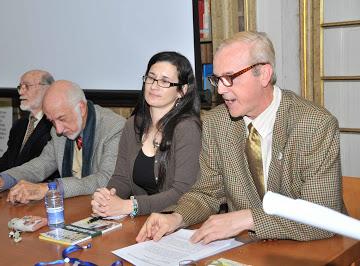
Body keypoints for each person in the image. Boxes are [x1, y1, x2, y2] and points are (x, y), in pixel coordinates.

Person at [137, 31, 343, 243]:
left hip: (312, 249)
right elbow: (206, 193)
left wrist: (249, 219)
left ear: (263, 74)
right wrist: (177, 218)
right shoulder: (216, 122)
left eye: (230, 78)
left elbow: (322, 216)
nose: (221, 89)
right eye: (217, 79)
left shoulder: (314, 124)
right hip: (249, 250)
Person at [0, 80, 126, 203]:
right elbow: (39, 165)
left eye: (61, 119)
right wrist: (1, 181)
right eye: (52, 121)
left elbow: (105, 180)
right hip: (71, 208)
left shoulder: (114, 127)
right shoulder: (58, 130)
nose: (59, 130)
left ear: (81, 108)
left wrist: (49, 188)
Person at [91, 51, 201, 217]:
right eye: (151, 78)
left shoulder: (187, 128)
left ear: (182, 91)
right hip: (142, 220)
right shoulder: (133, 124)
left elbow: (183, 191)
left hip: (177, 221)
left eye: (165, 81)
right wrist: (107, 198)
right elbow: (122, 178)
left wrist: (130, 206)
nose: (154, 86)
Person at [0, 70, 59, 180]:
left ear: (47, 89)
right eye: (20, 87)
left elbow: (49, 168)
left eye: (27, 86)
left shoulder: (56, 125)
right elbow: (7, 161)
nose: (20, 92)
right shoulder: (19, 125)